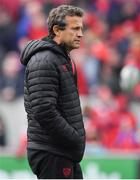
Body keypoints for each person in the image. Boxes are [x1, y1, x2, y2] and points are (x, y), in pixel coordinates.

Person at [20, 5, 86, 179]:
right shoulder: (44, 60)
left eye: (81, 28)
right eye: (75, 28)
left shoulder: (60, 58)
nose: (81, 34)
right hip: (52, 151)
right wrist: (73, 137)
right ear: (57, 30)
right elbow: (43, 110)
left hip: (62, 150)